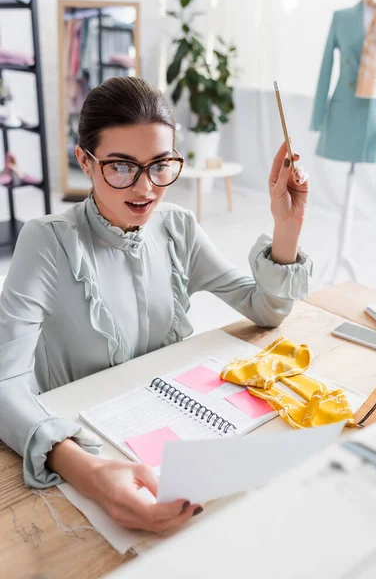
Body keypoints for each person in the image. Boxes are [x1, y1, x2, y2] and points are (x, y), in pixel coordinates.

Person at [0, 77, 311, 533]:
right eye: (122, 167)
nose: (145, 188)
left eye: (160, 165)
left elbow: (265, 308)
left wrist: (287, 226)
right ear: (85, 161)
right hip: (80, 443)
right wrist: (90, 472)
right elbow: (4, 380)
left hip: (170, 437)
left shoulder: (177, 226)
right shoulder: (47, 242)